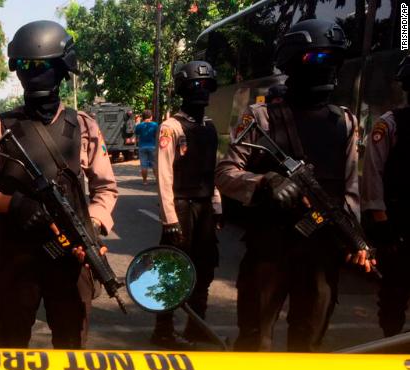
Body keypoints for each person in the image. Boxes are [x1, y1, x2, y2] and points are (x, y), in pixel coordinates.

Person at [215, 19, 372, 352]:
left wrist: (354, 238)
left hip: (320, 252)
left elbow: (350, 188)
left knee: (310, 345)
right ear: (292, 59)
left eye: (333, 59)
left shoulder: (344, 120)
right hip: (269, 249)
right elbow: (226, 172)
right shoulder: (261, 118)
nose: (326, 67)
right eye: (317, 58)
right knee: (255, 341)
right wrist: (263, 182)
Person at [0, 20, 118, 349]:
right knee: (10, 344)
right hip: (16, 254)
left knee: (71, 345)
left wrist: (90, 225)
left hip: (70, 253)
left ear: (62, 68)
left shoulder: (84, 127)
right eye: (26, 65)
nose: (34, 73)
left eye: (43, 65)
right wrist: (12, 205)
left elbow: (105, 189)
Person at [151, 61, 222, 349]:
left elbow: (211, 173)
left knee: (205, 269)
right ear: (182, 88)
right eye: (194, 85)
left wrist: (216, 208)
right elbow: (164, 174)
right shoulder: (171, 127)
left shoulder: (210, 127)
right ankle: (163, 330)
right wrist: (170, 219)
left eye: (205, 86)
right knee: (173, 271)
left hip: (204, 207)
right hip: (180, 207)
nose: (200, 91)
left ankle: (197, 326)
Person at [363, 55, 410, 337]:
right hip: (399, 223)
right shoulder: (390, 123)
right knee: (394, 293)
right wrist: (381, 221)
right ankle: (391, 344)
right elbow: (373, 173)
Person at [134, 109, 159, 185]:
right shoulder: (155, 125)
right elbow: (157, 135)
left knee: (144, 165)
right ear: (151, 117)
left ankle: (145, 181)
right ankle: (157, 181)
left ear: (143, 117)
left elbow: (137, 133)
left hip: (142, 147)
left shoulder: (139, 126)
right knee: (154, 164)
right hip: (153, 146)